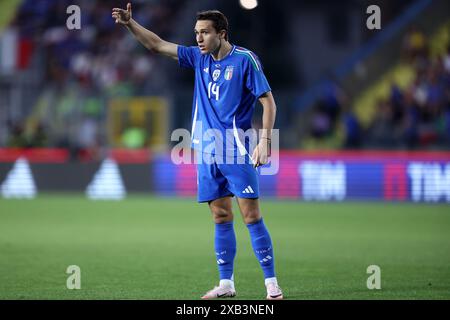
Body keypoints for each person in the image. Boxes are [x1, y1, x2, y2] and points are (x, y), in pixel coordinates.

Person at [112, 3, 283, 300]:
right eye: (196, 33)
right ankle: (226, 284)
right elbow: (156, 44)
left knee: (251, 216)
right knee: (220, 215)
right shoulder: (197, 58)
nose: (199, 39)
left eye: (205, 33)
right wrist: (130, 24)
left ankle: (271, 283)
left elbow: (268, 102)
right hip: (205, 152)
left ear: (222, 34)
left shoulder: (245, 60)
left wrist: (265, 141)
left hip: (235, 149)